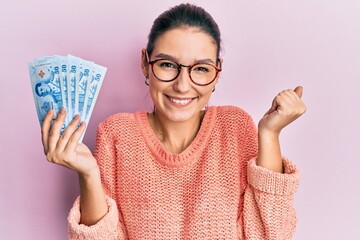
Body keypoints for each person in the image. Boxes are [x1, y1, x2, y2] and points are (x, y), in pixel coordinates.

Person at [41, 3, 306, 239]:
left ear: (216, 73)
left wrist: (270, 135)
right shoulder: (116, 133)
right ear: (146, 64)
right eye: (167, 64)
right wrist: (88, 174)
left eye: (201, 69)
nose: (182, 85)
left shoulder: (234, 127)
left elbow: (271, 234)